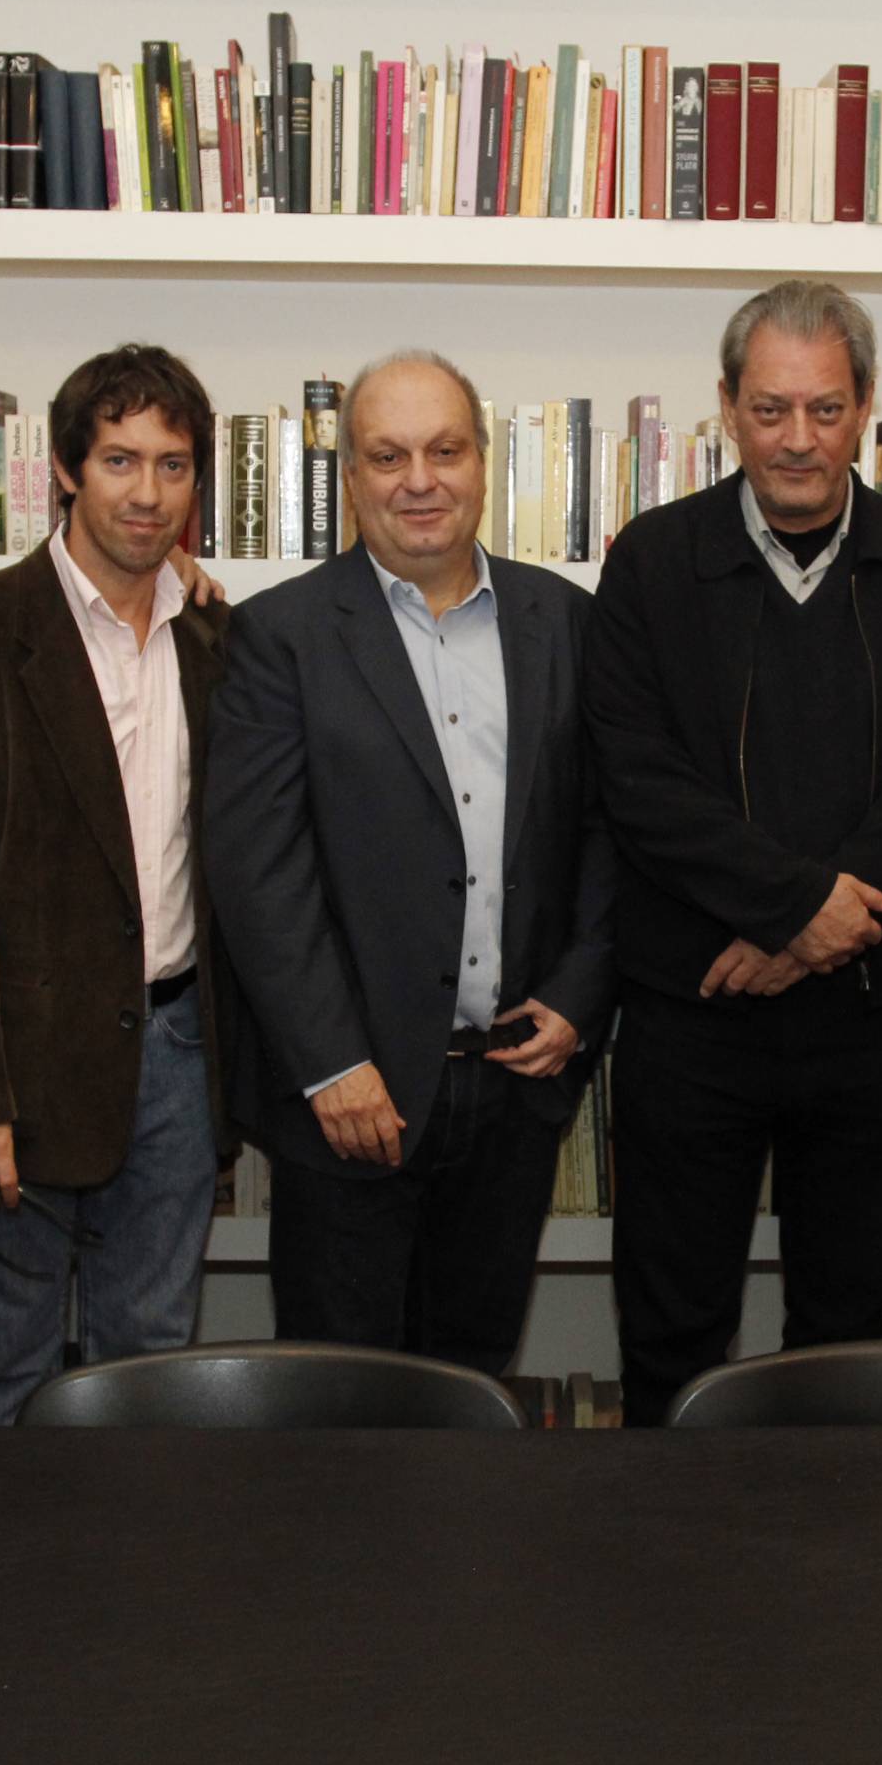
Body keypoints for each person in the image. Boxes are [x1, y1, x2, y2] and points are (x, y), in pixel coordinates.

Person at [583, 280, 882, 1423]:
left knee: (845, 1331)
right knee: (671, 1324)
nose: (799, 439)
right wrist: (793, 910)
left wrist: (816, 930)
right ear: (726, 407)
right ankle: (673, 1563)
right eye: (771, 409)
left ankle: (830, 1576)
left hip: (865, 1017)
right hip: (691, 1012)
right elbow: (637, 777)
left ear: (866, 406)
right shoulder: (652, 562)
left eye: (824, 408)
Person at [205, 352, 615, 1376]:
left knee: (473, 1384)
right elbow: (259, 869)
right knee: (344, 1407)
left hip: (516, 1086)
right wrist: (332, 1065)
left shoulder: (566, 621)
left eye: (444, 450)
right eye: (387, 456)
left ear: (483, 462)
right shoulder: (278, 637)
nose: (419, 479)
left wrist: (579, 994)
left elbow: (613, 829)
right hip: (353, 1104)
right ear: (350, 480)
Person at [0, 346, 231, 1425]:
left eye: (174, 465)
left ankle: (135, 1586)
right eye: (121, 460)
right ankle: (7, 1590)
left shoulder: (221, 638)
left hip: (178, 1048)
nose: (148, 493)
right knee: (10, 1371)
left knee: (152, 1360)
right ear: (63, 469)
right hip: (22, 1063)